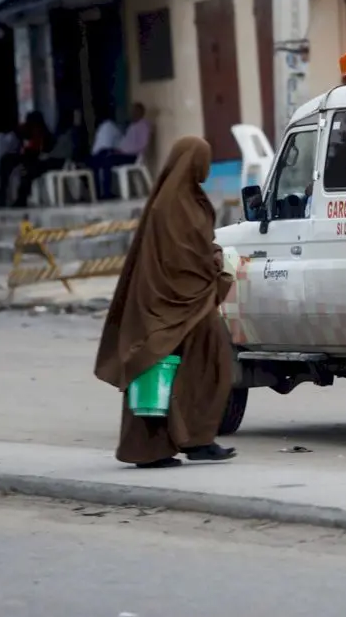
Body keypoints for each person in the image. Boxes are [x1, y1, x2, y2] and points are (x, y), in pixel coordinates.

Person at [93, 136, 237, 468]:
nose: (206, 167)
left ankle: (198, 439)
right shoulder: (170, 207)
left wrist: (211, 256)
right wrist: (212, 264)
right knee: (156, 367)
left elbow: (196, 248)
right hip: (167, 304)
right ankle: (149, 450)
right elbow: (179, 260)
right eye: (203, 160)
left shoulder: (191, 199)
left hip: (190, 302)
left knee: (208, 363)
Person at [91, 103, 151, 200]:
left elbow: (141, 146)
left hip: (132, 156)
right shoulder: (132, 126)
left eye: (135, 111)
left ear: (141, 113)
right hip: (123, 152)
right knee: (100, 159)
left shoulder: (143, 126)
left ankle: (107, 193)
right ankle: (99, 193)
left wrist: (123, 151)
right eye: (132, 111)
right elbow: (126, 142)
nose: (133, 114)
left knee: (107, 161)